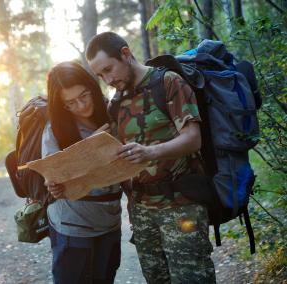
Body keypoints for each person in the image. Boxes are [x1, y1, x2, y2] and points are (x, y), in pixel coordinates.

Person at [86, 32, 216, 283]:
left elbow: (192, 138)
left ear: (125, 53)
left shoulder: (168, 82)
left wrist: (150, 152)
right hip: (142, 210)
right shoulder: (116, 104)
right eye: (101, 75)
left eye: (109, 69)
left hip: (181, 206)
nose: (108, 79)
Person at [43, 61, 123, 284]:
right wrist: (91, 146)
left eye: (84, 95)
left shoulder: (111, 113)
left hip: (109, 222)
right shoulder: (54, 130)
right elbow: (54, 178)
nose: (80, 105)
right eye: (70, 103)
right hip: (73, 228)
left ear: (92, 87)